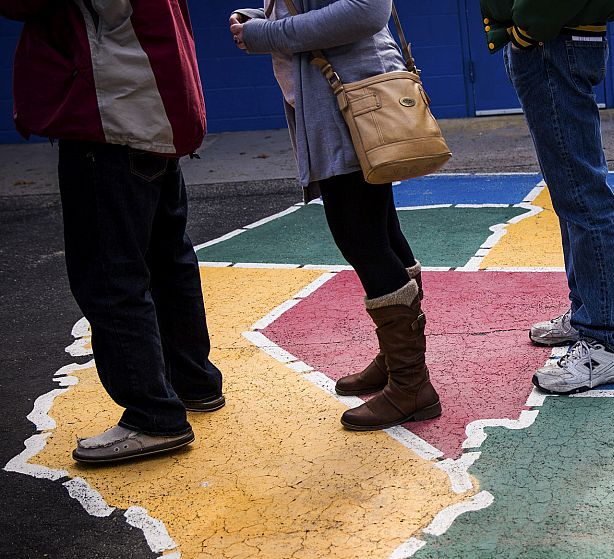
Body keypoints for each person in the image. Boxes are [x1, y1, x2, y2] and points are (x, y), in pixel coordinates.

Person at [1, 0, 224, 463]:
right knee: (167, 260)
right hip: (153, 111)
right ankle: (193, 382)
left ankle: (153, 417)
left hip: (111, 117)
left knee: (110, 276)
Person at [231, 0, 440, 429]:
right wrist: (261, 19)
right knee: (381, 232)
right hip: (348, 97)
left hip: (351, 100)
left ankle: (412, 385)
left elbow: (367, 10)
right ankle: (396, 363)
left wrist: (266, 35)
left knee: (360, 237)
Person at [481, 0, 614, 394]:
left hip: (551, 40)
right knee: (572, 192)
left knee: (582, 193)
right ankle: (589, 313)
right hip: (551, 39)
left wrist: (529, 27)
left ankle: (605, 339)